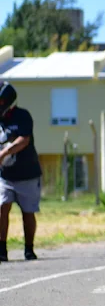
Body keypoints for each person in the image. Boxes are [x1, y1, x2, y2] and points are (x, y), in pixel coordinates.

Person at [0, 82, 42, 262]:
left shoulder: (22, 116)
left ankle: (29, 249)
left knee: (28, 212)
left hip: (27, 175)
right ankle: (2, 249)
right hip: (5, 175)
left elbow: (24, 140)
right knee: (2, 208)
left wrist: (3, 153)